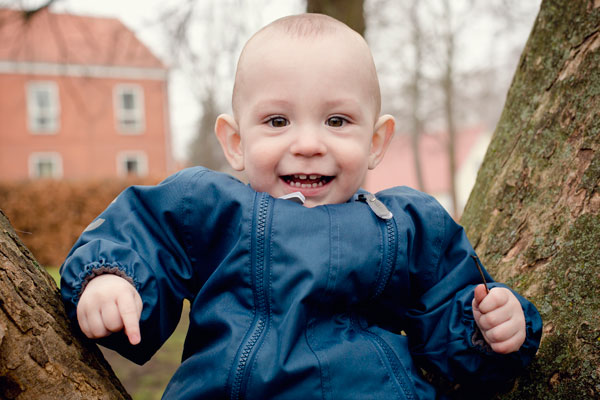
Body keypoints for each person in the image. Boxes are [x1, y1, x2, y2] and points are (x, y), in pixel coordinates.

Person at [61, 13, 542, 399]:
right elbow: (142, 235)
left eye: (337, 120)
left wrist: (489, 325)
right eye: (277, 120)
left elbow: (453, 310)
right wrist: (110, 277)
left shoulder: (404, 225)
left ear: (376, 142)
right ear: (235, 142)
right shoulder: (209, 206)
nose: (309, 143)